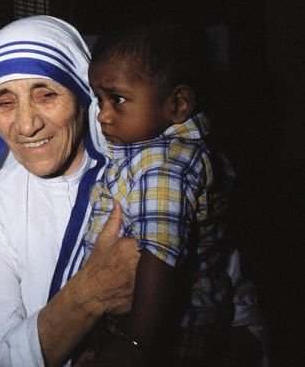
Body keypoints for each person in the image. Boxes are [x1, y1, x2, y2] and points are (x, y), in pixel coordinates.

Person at [0, 16, 140, 367]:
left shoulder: (147, 174)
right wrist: (91, 293)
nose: (26, 125)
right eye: (5, 102)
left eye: (47, 95)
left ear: (82, 95)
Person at [81, 21, 236, 366]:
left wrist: (136, 344)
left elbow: (159, 258)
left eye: (118, 99)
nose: (103, 115)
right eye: (99, 99)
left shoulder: (163, 167)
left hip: (171, 331)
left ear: (178, 104)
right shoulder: (149, 148)